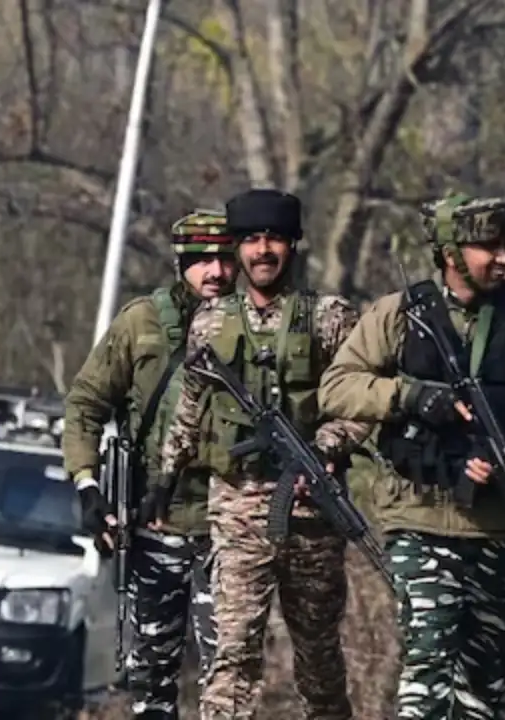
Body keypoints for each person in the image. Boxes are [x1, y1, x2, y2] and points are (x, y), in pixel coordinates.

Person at [318, 193, 505, 719]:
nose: (504, 258)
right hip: (419, 519)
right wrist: (409, 395)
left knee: (487, 688)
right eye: (489, 247)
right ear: (451, 254)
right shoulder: (398, 316)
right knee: (428, 665)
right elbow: (338, 388)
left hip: (502, 526)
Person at [158, 189, 367, 720]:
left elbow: (362, 404)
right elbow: (190, 407)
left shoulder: (330, 318)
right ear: (238, 249)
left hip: (313, 511)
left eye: (274, 239)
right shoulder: (211, 322)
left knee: (319, 660)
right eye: (251, 240)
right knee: (232, 654)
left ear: (292, 245)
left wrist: (325, 447)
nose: (263, 250)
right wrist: (164, 479)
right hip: (237, 507)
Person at [63, 209, 239, 719]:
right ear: (180, 263)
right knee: (150, 678)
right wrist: (87, 485)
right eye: (202, 260)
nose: (215, 271)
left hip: (229, 525)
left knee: (229, 674)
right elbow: (85, 404)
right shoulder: (142, 323)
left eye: (225, 259)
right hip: (155, 524)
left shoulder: (254, 325)